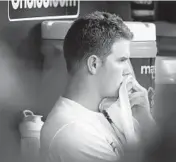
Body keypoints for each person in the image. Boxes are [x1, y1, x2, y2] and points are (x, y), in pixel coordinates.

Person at [40, 11, 156, 162]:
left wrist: (144, 120)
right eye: (122, 60)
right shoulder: (73, 133)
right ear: (94, 64)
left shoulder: (109, 112)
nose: (128, 70)